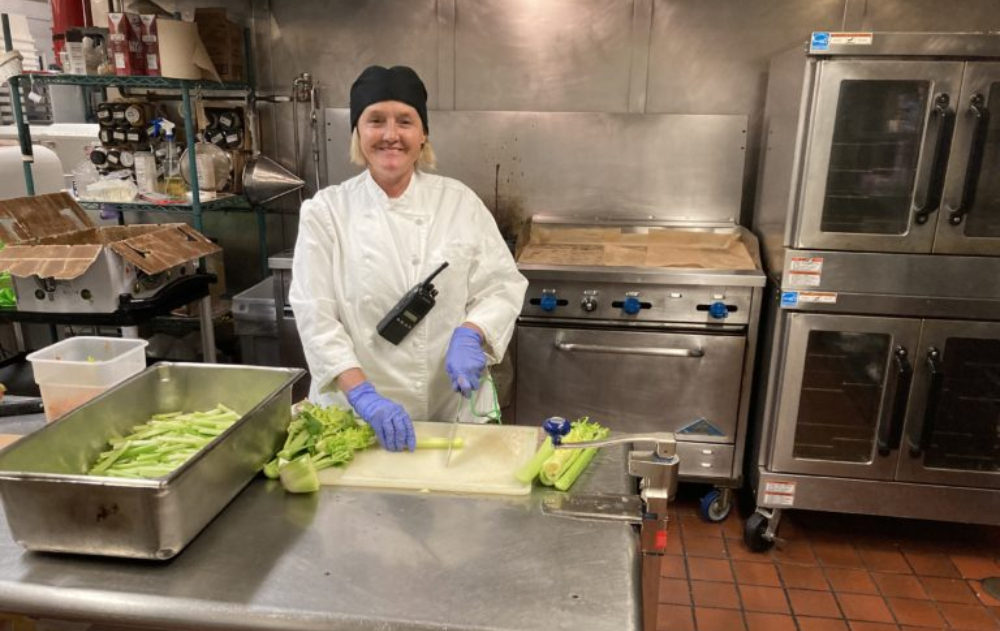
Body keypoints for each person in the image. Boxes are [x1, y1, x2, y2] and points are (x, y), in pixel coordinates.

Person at [289, 65, 528, 452]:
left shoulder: (459, 202)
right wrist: (365, 397)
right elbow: (316, 318)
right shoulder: (326, 212)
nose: (390, 135)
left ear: (423, 135)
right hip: (355, 420)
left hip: (450, 411)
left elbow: (501, 285)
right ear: (357, 132)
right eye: (375, 120)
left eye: (405, 120)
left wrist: (473, 331)